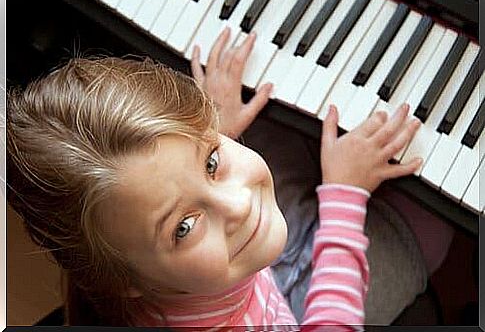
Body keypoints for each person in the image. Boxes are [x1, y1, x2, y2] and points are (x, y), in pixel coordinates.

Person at [7, 26, 425, 330]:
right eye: (183, 228)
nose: (238, 205)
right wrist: (346, 196)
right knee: (431, 228)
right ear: (127, 282)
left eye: (210, 161)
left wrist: (215, 126)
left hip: (249, 280)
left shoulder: (126, 247)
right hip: (290, 314)